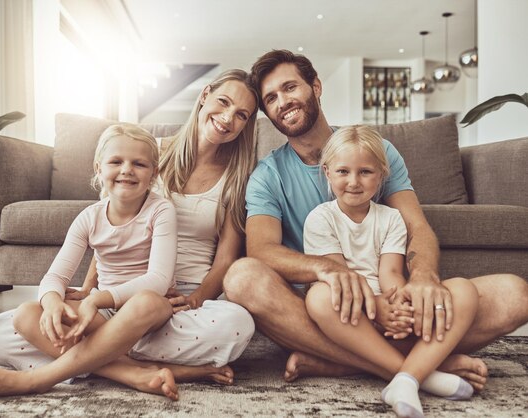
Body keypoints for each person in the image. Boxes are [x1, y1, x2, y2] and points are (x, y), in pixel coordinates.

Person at [223, 49, 528, 389]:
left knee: (514, 294)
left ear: (316, 87)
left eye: (290, 87)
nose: (283, 101)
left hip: (392, 298)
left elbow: (415, 225)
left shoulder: (376, 150)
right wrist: (327, 269)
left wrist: (424, 277)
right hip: (318, 311)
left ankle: (339, 363)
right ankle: (413, 370)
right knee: (241, 277)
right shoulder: (267, 175)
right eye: (271, 98)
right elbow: (262, 251)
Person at [0, 69, 259, 399]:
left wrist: (195, 299)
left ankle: (69, 365)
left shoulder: (237, 178)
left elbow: (225, 260)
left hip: (177, 302)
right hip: (115, 297)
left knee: (237, 324)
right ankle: (135, 370)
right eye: (223, 102)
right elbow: (110, 231)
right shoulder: (145, 153)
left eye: (241, 115)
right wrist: (91, 290)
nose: (227, 118)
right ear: (205, 94)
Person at [0, 122, 180, 397]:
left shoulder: (161, 210)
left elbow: (158, 280)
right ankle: (131, 372)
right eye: (116, 161)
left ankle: (38, 379)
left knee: (146, 300)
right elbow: (55, 277)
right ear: (99, 168)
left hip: (147, 312)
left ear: (153, 173)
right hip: (105, 317)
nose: (127, 169)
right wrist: (53, 302)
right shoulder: (89, 217)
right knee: (26, 314)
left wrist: (95, 299)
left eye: (139, 164)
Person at [304, 125, 477, 417]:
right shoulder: (321, 218)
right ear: (327, 172)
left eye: (366, 172)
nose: (354, 182)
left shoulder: (392, 218)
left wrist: (397, 303)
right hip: (349, 309)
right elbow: (342, 277)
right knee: (319, 296)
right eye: (343, 172)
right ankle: (417, 376)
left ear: (382, 174)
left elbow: (392, 273)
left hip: (385, 302)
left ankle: (404, 378)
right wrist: (376, 310)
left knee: (464, 289)